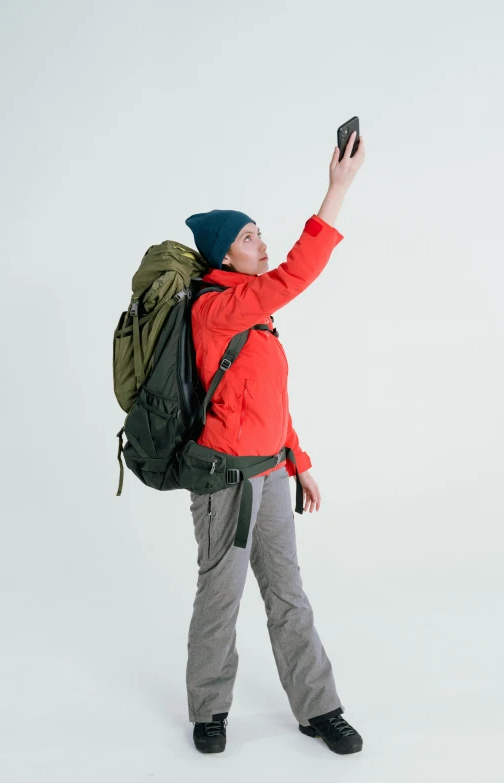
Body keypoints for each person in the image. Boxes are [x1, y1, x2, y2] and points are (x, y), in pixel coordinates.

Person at [183, 131, 365, 755]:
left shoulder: (254, 314)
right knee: (222, 596)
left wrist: (299, 462)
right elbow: (297, 273)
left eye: (260, 233)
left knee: (288, 593)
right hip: (225, 484)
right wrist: (337, 189)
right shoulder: (216, 309)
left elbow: (267, 402)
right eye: (250, 236)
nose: (262, 243)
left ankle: (320, 709)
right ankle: (209, 711)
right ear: (224, 257)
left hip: (271, 471)